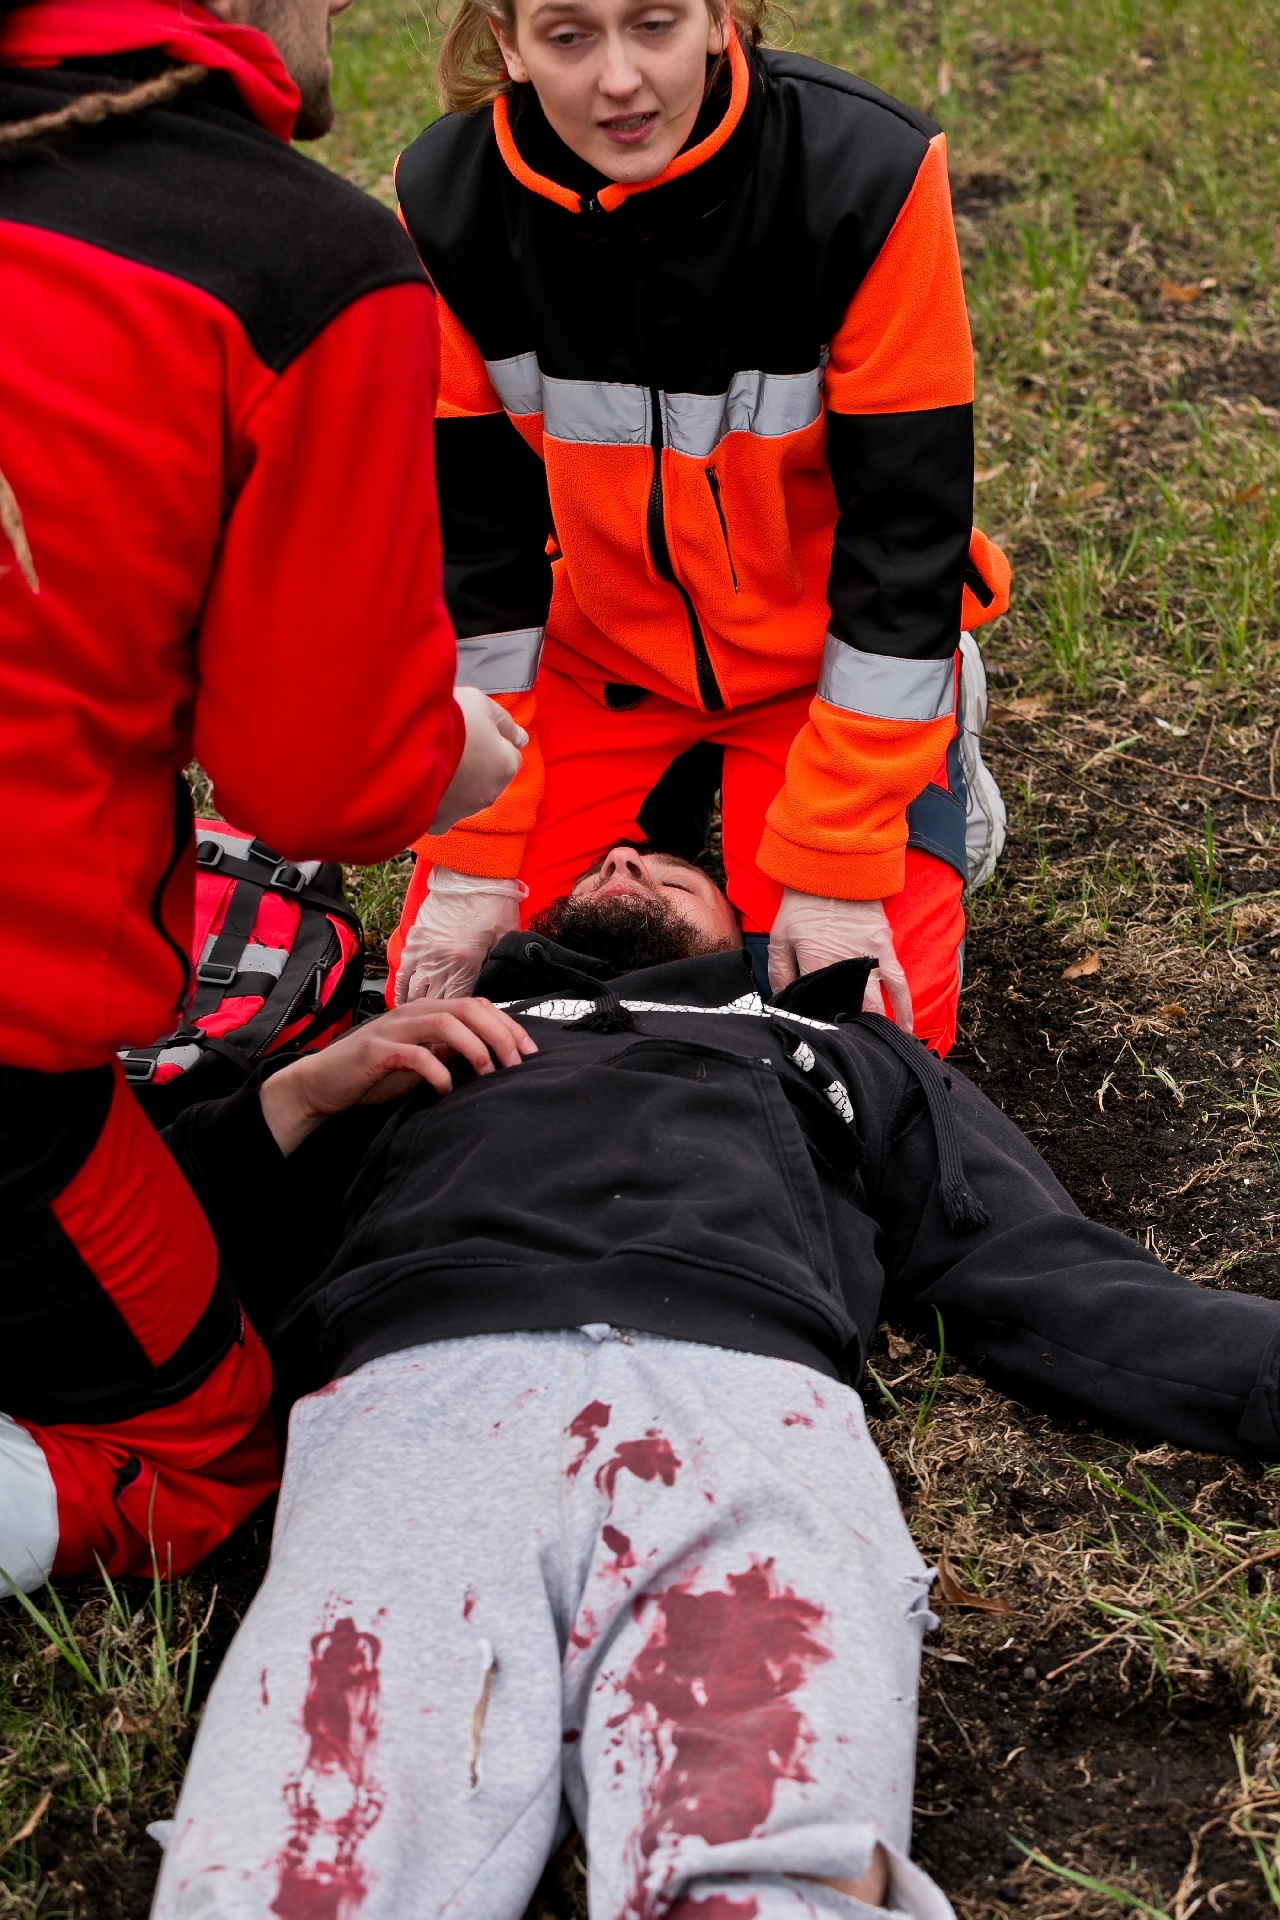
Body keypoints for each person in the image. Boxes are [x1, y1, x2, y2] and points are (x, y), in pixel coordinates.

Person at [144, 844, 1280, 1920]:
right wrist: (297, 1097)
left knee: (776, 1863)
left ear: (746, 934)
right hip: (420, 1406)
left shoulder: (831, 1045)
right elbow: (135, 1263)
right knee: (295, 1865)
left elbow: (1035, 1270)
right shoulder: (408, 1046)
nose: (623, 859)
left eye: (671, 866)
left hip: (737, 1401)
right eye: (602, 859)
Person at [0, 0, 525, 1593]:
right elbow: (317, 784)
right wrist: (456, 752)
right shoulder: (291, 263)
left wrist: (284, 1106)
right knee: (207, 1455)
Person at [385, 0, 1013, 1056]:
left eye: (654, 24)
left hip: (825, 663)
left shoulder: (868, 170)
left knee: (873, 1041)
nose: (618, 81)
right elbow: (470, 561)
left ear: (721, 18)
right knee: (458, 1015)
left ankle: (931, 737)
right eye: (568, 36)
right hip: (589, 659)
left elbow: (906, 540)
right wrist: (473, 851)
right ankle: (671, 798)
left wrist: (837, 856)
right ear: (506, 43)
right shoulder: (446, 204)